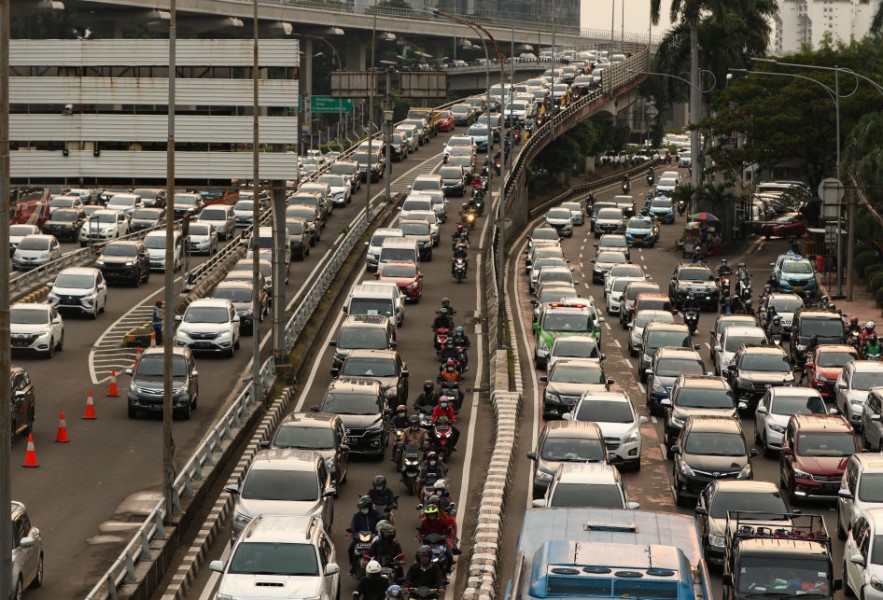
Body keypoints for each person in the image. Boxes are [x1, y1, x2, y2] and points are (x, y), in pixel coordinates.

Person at [348, 496, 385, 574]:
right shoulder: (357, 516)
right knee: (351, 549)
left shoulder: (376, 514)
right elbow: (352, 524)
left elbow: (382, 520)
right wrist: (351, 529)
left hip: (373, 537)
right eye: (362, 508)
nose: (363, 509)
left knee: (381, 550)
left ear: (369, 506)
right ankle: (353, 567)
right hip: (359, 537)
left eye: (365, 507)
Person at [417, 505, 456, 570]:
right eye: (430, 515)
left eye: (433, 514)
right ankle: (418, 570)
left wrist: (448, 534)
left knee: (449, 555)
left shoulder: (442, 522)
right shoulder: (424, 522)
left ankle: (448, 569)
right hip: (427, 542)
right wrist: (419, 536)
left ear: (436, 514)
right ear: (427, 515)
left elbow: (448, 529)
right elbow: (421, 532)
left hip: (440, 542)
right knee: (418, 555)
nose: (431, 516)